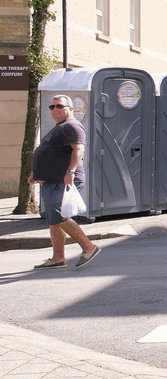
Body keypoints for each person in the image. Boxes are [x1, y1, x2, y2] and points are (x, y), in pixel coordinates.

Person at [27, 94, 100, 269]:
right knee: (54, 219)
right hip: (51, 180)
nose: (55, 110)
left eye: (59, 106)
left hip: (63, 180)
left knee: (59, 216)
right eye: (52, 107)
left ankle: (89, 247)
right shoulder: (60, 127)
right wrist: (36, 174)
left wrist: (70, 171)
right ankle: (58, 257)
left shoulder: (72, 126)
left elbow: (79, 149)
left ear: (70, 109)